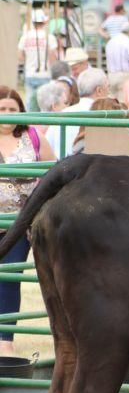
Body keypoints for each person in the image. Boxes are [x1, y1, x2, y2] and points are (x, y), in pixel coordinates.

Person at [0, 86, 55, 354]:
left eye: (13, 109)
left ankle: (4, 341)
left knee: (10, 276)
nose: (8, 114)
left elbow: (53, 168)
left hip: (20, 223)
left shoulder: (32, 136)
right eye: (2, 109)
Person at [46, 68, 109, 158]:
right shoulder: (104, 116)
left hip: (61, 168)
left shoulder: (62, 114)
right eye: (108, 88)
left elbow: (48, 146)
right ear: (99, 91)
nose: (109, 93)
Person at [17, 8, 58, 112]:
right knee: (45, 103)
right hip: (45, 74)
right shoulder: (49, 37)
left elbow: (20, 57)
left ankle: (30, 125)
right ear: (44, 22)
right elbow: (53, 56)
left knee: (30, 103)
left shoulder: (25, 37)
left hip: (30, 73)